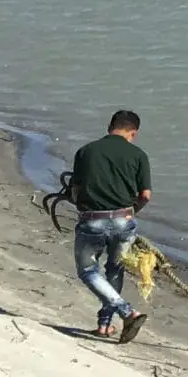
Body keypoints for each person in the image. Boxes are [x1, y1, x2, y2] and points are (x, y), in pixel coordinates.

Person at [72, 109, 152, 341]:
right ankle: (105, 325)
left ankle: (127, 312)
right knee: (114, 270)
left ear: (110, 127)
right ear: (133, 133)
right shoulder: (139, 155)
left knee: (88, 271)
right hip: (124, 221)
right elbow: (145, 195)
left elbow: (76, 191)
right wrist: (131, 212)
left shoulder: (86, 151)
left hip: (92, 220)